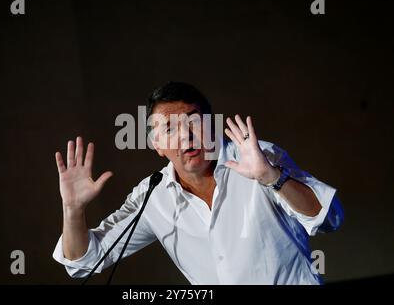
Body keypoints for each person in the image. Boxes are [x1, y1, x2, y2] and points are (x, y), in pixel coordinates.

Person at [52, 81, 343, 284]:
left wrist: (272, 178)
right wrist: (73, 210)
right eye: (169, 129)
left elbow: (329, 218)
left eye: (193, 121)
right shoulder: (152, 196)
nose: (186, 136)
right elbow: (84, 260)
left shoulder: (259, 157)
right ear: (157, 145)